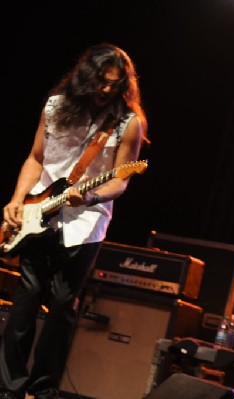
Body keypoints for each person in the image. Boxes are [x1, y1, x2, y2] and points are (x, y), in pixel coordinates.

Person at [0, 43, 148, 399]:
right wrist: (17, 200)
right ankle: (10, 386)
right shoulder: (56, 106)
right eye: (101, 81)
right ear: (86, 76)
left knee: (65, 303)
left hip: (86, 220)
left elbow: (120, 178)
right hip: (38, 211)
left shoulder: (129, 123)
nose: (107, 90)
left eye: (116, 84)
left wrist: (93, 195)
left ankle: (45, 386)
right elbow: (36, 158)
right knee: (27, 297)